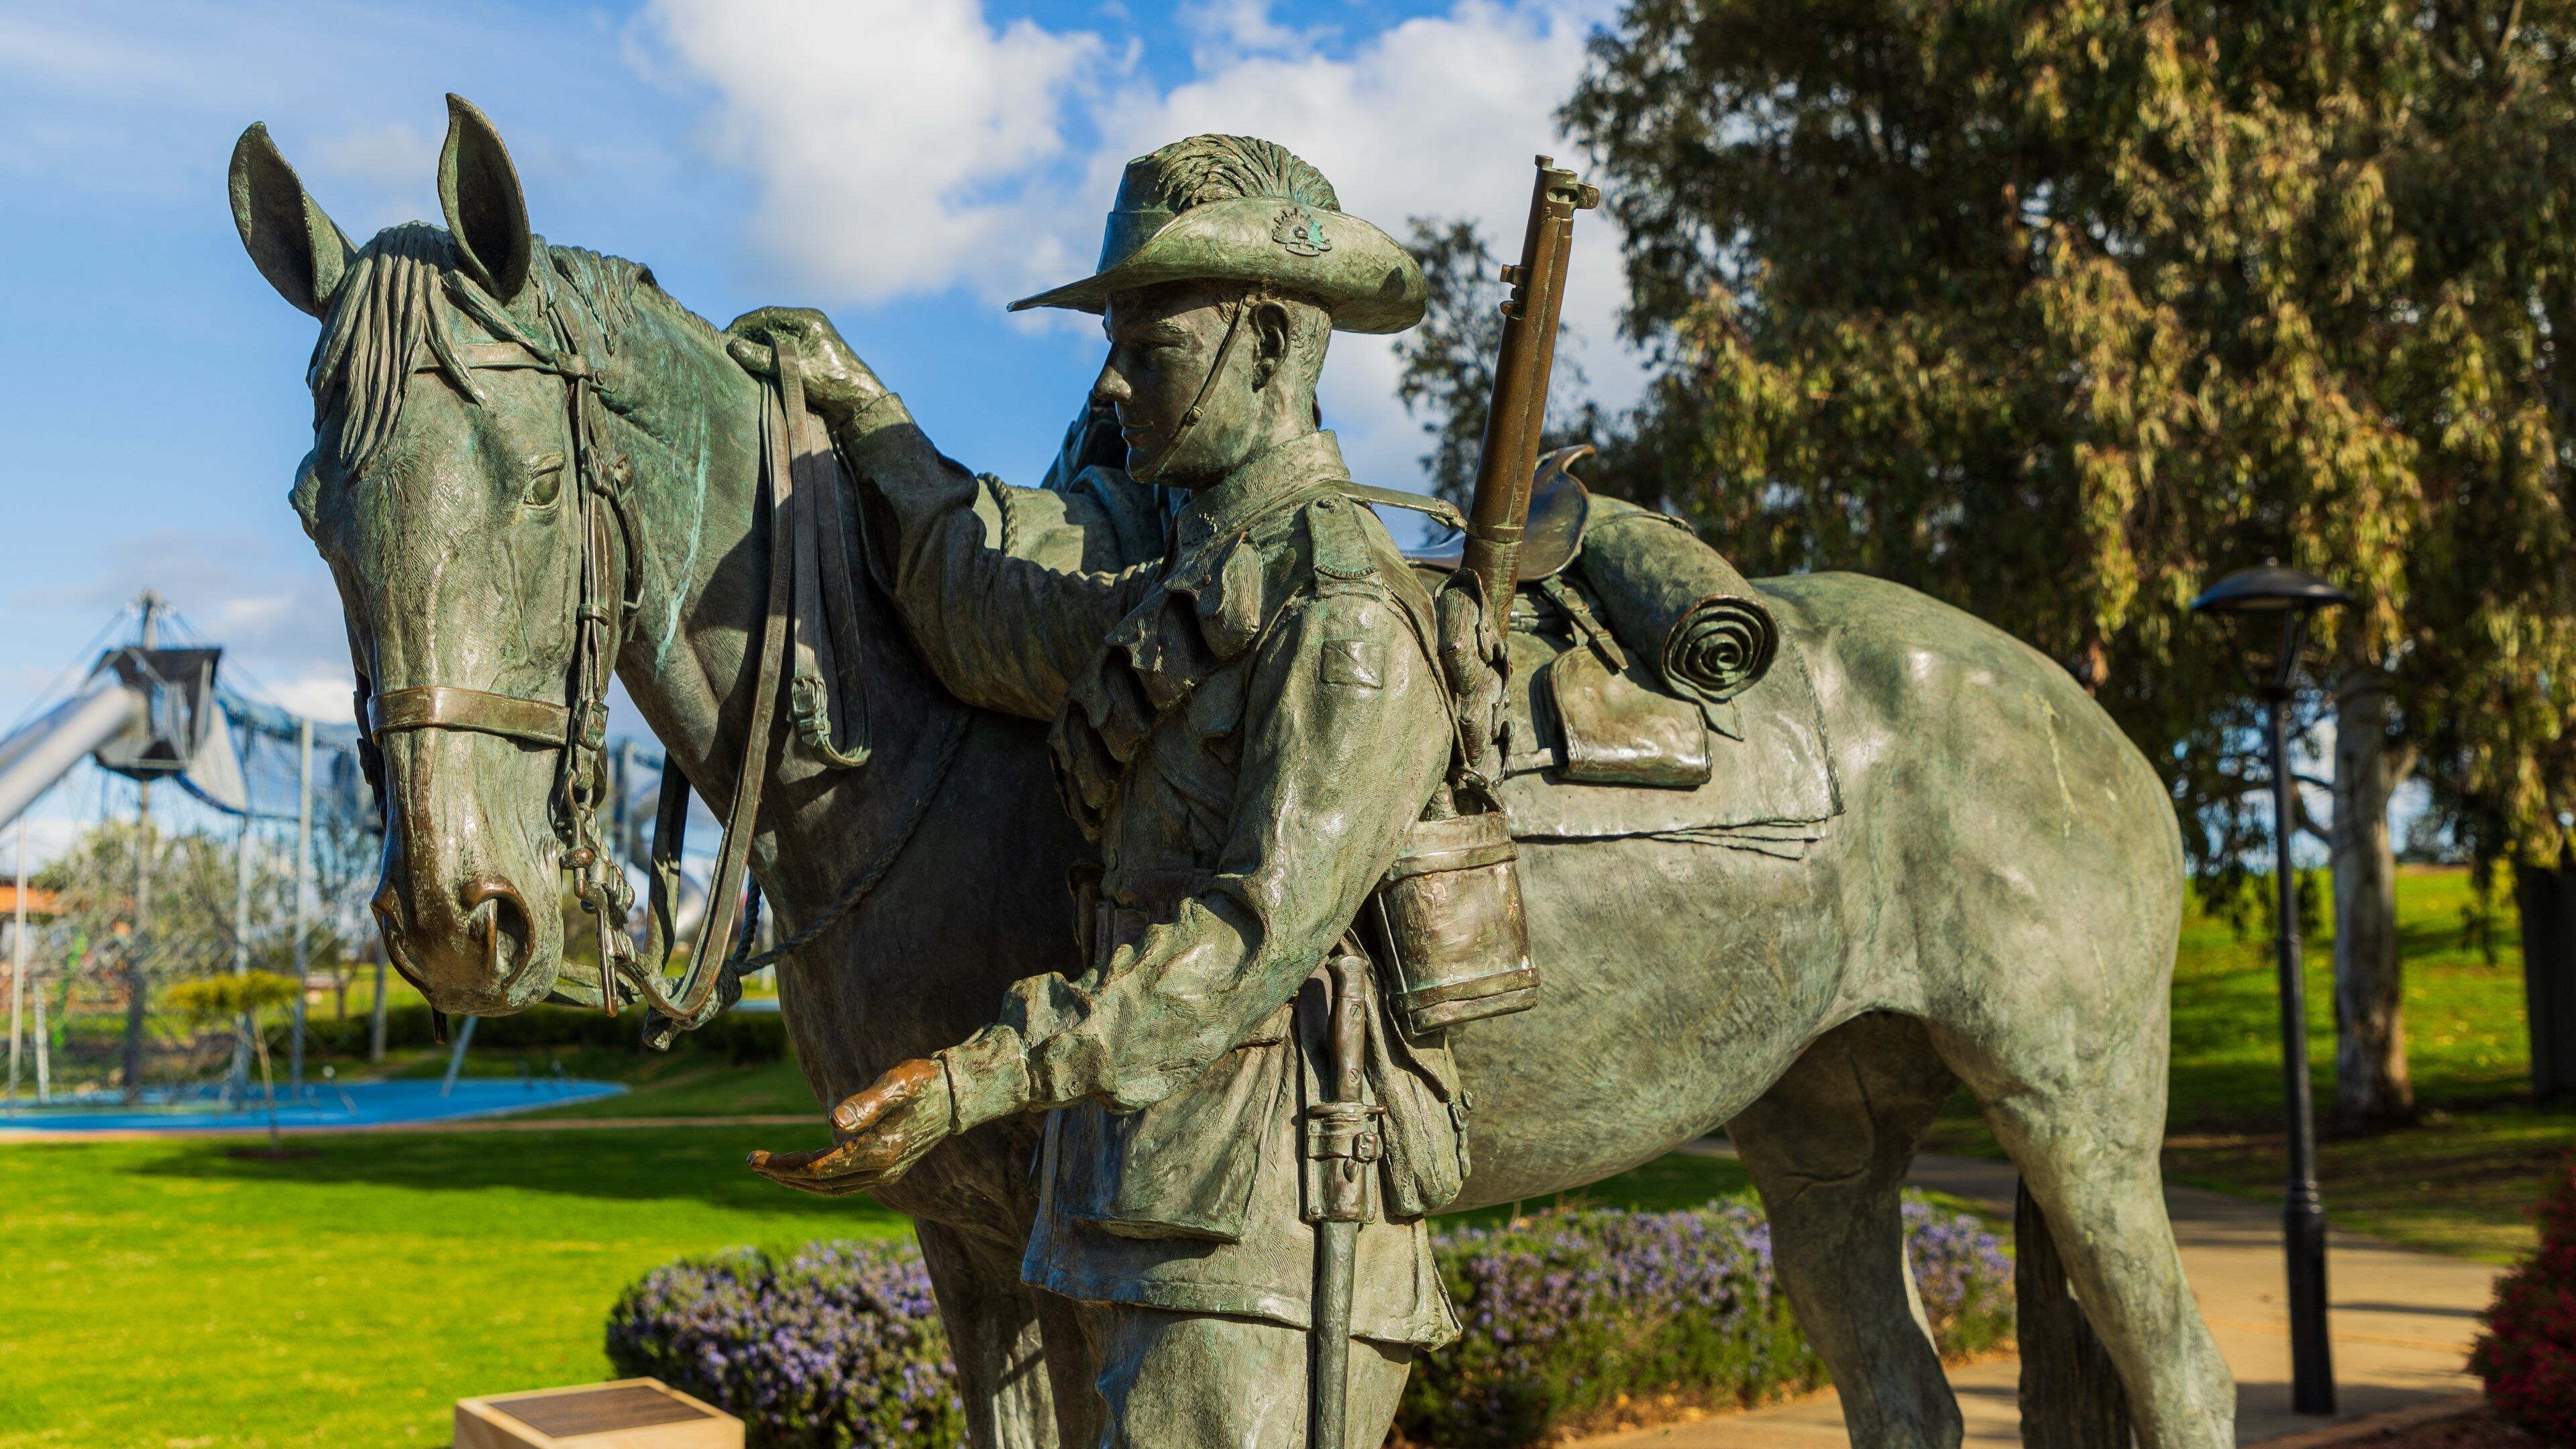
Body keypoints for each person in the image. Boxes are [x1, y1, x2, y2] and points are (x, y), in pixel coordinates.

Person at [733, 135, 1475, 1448]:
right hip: (1154, 1206)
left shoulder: (1346, 617)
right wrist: (869, 416)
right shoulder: (1190, 590)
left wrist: (973, 1081)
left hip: (1271, 1247)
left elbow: (1246, 945)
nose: (1115, 377)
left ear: (1270, 341)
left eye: (1153, 339)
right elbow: (984, 616)